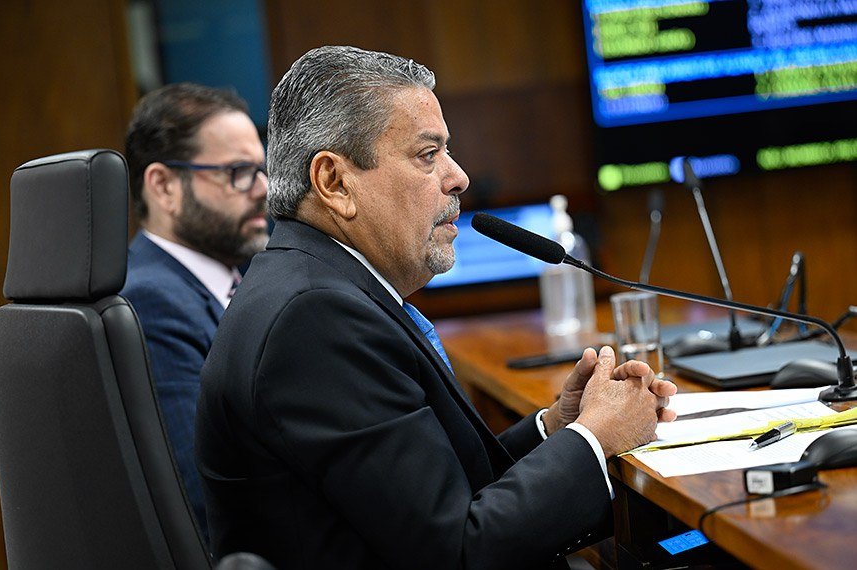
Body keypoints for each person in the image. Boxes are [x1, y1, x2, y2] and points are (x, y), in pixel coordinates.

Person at [196, 46, 677, 569]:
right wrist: (596, 439)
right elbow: (457, 552)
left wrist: (558, 429)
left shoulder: (315, 287)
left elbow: (433, 492)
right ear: (335, 183)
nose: (458, 177)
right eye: (428, 155)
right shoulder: (313, 319)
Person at [122, 83, 269, 540]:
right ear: (164, 186)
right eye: (238, 172)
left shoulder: (233, 282)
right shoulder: (151, 303)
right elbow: (209, 500)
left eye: (262, 170)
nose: (264, 189)